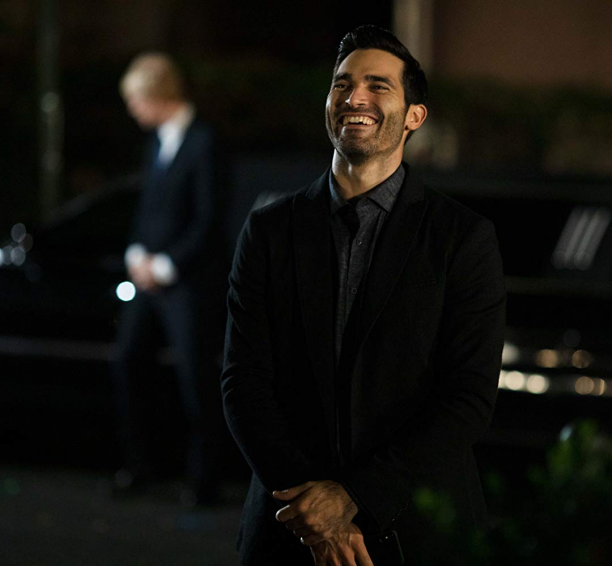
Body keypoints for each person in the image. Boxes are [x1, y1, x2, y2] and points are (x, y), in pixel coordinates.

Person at [222, 26, 506, 565]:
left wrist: (353, 497)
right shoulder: (269, 231)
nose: (355, 97)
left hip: (416, 530)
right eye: (342, 84)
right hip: (288, 529)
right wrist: (315, 514)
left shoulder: (461, 238)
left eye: (378, 85)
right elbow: (243, 383)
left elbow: (466, 399)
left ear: (414, 116)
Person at [112, 52, 229, 507]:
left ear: (157, 95)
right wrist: (135, 253)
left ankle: (204, 478)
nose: (131, 109)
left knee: (195, 377)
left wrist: (164, 265)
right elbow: (148, 208)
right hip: (148, 278)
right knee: (128, 359)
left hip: (188, 282)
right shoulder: (156, 141)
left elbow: (209, 220)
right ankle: (141, 466)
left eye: (135, 99)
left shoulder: (205, 141)